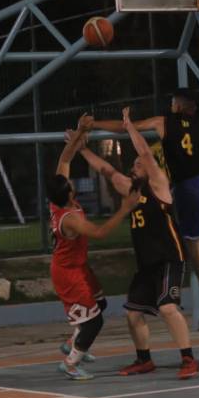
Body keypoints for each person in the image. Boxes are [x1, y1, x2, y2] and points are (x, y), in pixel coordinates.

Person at [90, 89, 199, 328]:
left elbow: (126, 127)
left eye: (171, 103)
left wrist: (94, 124)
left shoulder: (163, 122)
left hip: (189, 186)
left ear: (177, 106)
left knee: (193, 246)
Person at [77, 107, 199, 379]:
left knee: (167, 307)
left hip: (169, 258)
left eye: (138, 164)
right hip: (147, 263)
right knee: (133, 314)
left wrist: (129, 126)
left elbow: (144, 152)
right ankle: (144, 360)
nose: (134, 165)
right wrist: (81, 148)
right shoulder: (131, 190)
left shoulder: (159, 185)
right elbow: (107, 170)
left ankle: (189, 358)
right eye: (133, 164)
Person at [49, 115, 139, 380]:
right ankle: (71, 362)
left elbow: (65, 159)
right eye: (70, 185)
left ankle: (74, 342)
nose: (72, 181)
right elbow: (100, 233)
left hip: (77, 266)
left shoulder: (58, 201)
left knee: (100, 302)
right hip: (68, 273)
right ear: (69, 194)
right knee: (94, 321)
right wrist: (125, 208)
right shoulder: (71, 219)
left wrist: (79, 132)